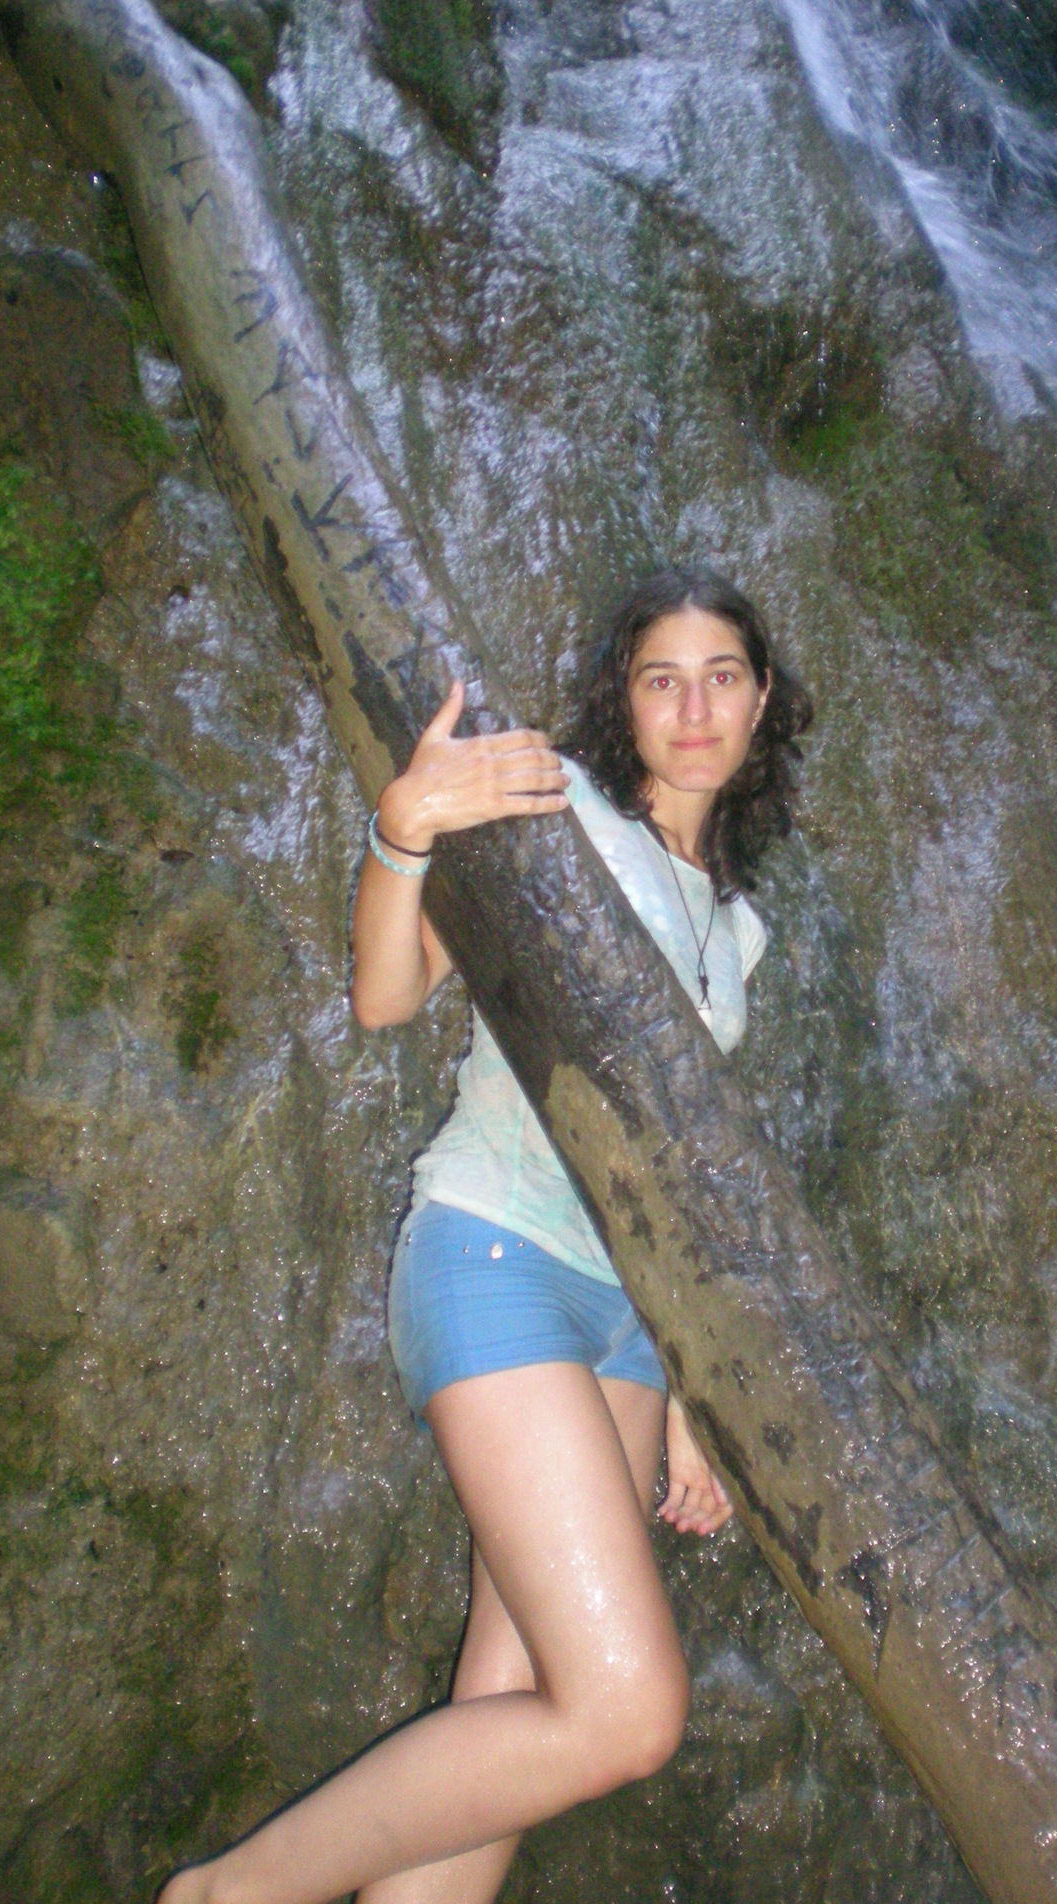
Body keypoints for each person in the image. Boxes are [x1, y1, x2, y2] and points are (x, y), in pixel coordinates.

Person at [160, 564, 813, 1904]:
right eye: (662, 679)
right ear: (623, 701)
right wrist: (405, 830)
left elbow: (680, 1178)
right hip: (500, 1254)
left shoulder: (736, 927)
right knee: (626, 1712)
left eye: (723, 678)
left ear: (761, 704)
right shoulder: (557, 814)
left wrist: (697, 1395)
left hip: (630, 1326)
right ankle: (227, 1896)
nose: (694, 709)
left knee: (513, 1705)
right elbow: (387, 996)